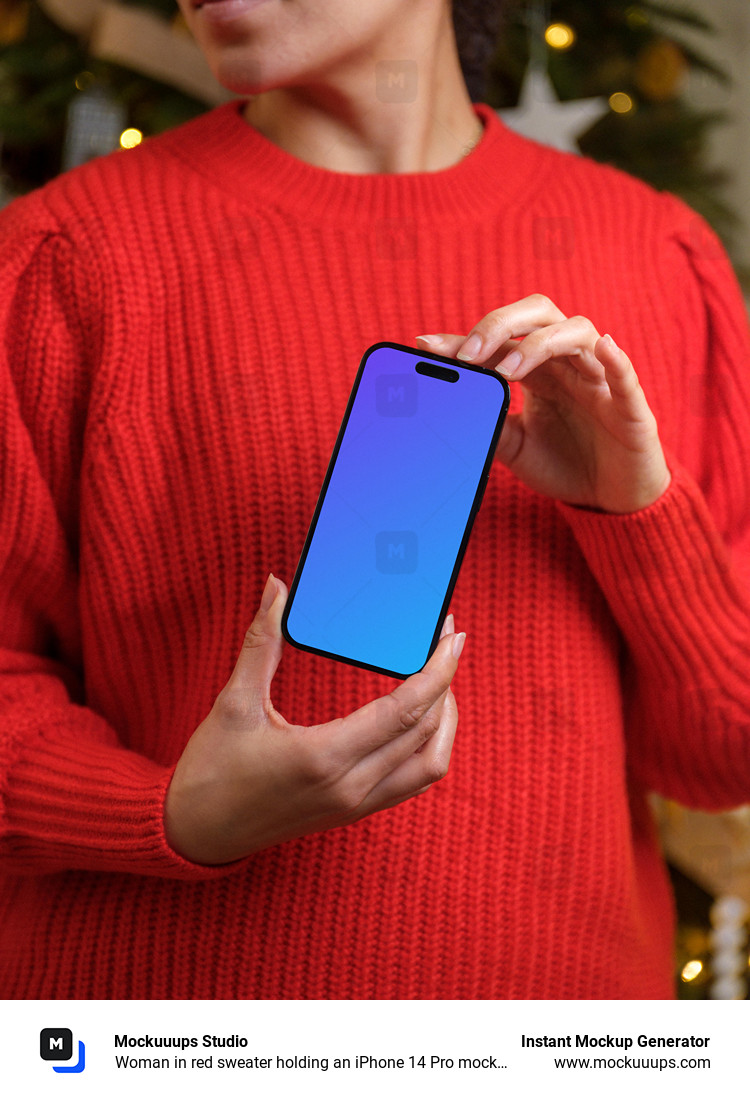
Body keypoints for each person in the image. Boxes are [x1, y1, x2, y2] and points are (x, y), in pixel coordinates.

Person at [0, 0, 748, 1000]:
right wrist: (170, 812)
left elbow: (721, 755)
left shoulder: (657, 255)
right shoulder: (59, 261)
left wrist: (639, 517)